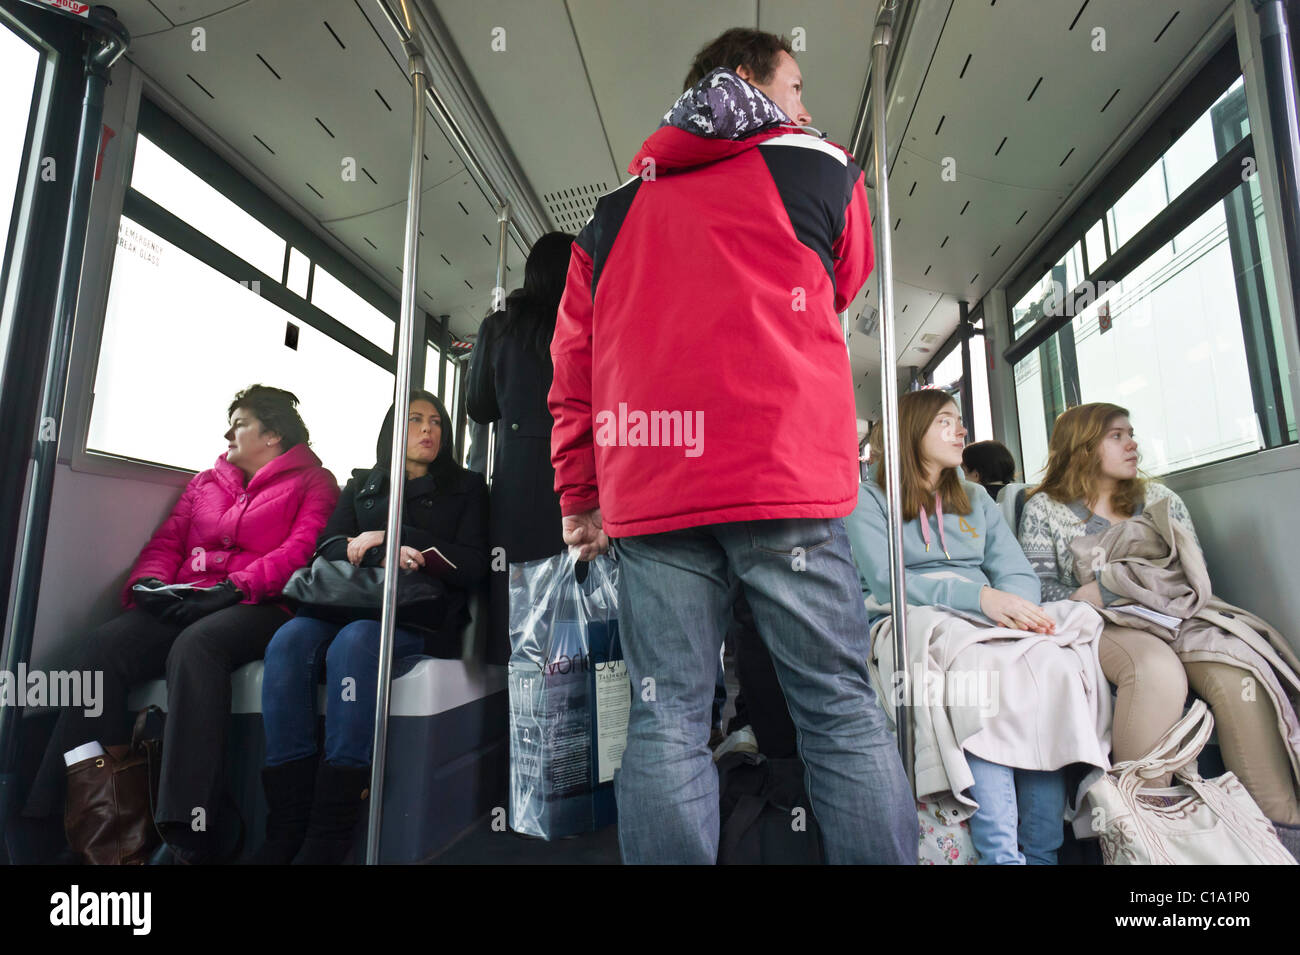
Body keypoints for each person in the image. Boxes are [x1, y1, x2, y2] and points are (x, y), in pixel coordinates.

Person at [548, 27, 914, 864]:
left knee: (667, 718)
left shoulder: (611, 214)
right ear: (746, 77)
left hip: (653, 493)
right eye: (794, 88)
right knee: (837, 707)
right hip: (781, 477)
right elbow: (840, 281)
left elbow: (573, 371)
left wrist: (579, 495)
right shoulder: (819, 165)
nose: (805, 106)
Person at [24, 386, 338, 864]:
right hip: (190, 597)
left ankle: (189, 831)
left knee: (196, 648)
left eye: (240, 423)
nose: (227, 432)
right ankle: (79, 815)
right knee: (102, 648)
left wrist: (232, 588)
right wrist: (149, 584)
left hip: (262, 604)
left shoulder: (316, 482)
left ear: (273, 435)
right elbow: (168, 543)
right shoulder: (205, 483)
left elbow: (300, 552)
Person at [1018, 402, 1300, 851]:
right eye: (1116, 435)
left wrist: (1112, 584)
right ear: (1084, 446)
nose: (1132, 443)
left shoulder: (1161, 502)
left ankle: (1276, 839)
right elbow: (1040, 594)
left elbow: (1194, 574)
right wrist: (1111, 594)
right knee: (1156, 674)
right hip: (1103, 624)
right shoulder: (1046, 510)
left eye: (1131, 433)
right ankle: (1143, 836)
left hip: (1177, 616)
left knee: (1242, 679)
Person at [847, 390, 1112, 865]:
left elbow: (1014, 571)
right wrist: (980, 597)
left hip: (983, 614)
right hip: (911, 614)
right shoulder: (867, 499)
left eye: (960, 421)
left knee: (1050, 664)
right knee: (981, 675)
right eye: (946, 422)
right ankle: (1002, 856)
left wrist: (1021, 611)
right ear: (912, 432)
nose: (962, 431)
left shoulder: (972, 497)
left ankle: (1044, 853)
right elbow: (889, 580)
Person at [255, 391, 488, 864]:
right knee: (289, 641)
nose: (428, 431)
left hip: (419, 614)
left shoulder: (468, 488)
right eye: (416, 420)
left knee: (357, 644)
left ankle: (330, 829)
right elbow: (328, 547)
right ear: (392, 432)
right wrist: (377, 548)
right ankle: (287, 820)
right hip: (346, 606)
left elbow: (474, 564)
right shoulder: (362, 484)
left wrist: (404, 540)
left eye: (437, 423)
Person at [466, 232, 573, 665]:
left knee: (515, 603)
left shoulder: (500, 322)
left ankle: (511, 715)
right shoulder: (587, 321)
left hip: (516, 483)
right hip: (577, 479)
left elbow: (479, 405)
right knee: (572, 607)